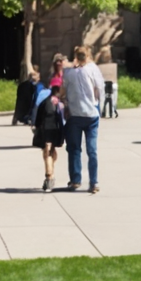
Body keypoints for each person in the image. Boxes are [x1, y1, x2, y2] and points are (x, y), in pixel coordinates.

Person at [61, 45, 104, 194]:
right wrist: (99, 107)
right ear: (89, 55)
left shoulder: (68, 72)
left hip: (75, 114)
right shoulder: (93, 68)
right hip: (92, 115)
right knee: (92, 151)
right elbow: (100, 87)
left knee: (74, 149)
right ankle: (94, 182)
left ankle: (75, 180)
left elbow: (62, 90)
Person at [30, 55, 66, 191]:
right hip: (50, 122)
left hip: (58, 123)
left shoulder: (68, 78)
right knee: (48, 148)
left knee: (50, 149)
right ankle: (49, 176)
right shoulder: (47, 95)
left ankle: (50, 173)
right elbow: (38, 106)